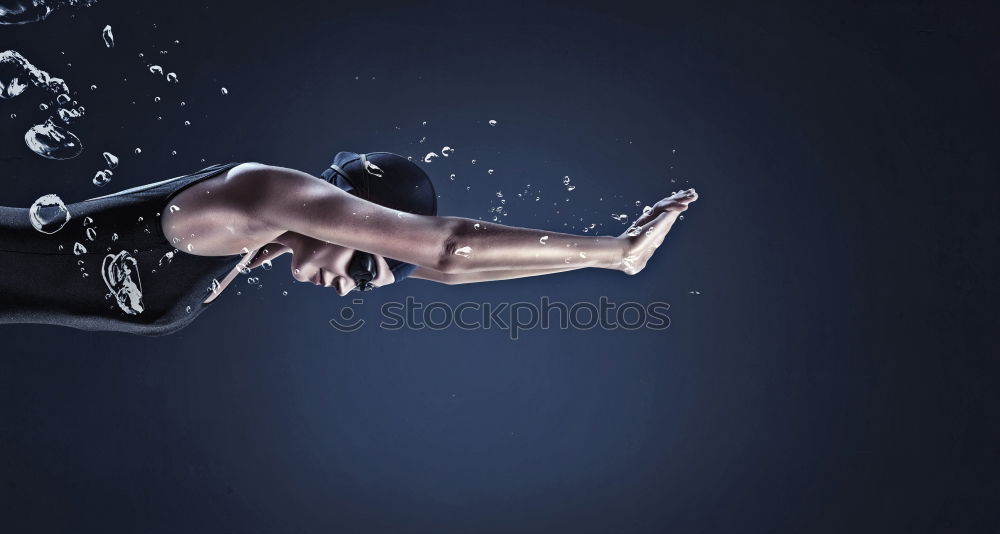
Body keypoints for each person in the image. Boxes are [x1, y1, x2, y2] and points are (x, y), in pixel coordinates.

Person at [0, 151, 698, 336]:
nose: (353, 286)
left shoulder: (250, 241)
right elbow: (447, 250)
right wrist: (616, 252)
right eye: (365, 262)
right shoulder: (257, 196)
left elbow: (449, 273)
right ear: (347, 215)